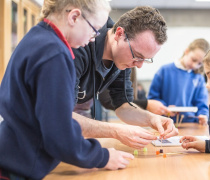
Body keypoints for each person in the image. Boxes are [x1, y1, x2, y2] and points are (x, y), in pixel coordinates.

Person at [0, 1, 134, 179]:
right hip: (19, 167)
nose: (94, 38)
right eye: (94, 30)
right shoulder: (55, 54)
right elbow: (59, 135)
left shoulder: (37, 36)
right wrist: (103, 157)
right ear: (74, 17)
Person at [72, 6, 178, 150]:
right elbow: (60, 115)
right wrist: (116, 131)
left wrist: (152, 119)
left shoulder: (122, 60)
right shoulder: (81, 45)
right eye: (137, 56)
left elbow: (123, 106)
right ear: (119, 34)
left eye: (146, 59)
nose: (139, 65)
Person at [148, 39, 210, 125]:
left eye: (199, 64)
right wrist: (164, 108)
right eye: (193, 60)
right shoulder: (164, 71)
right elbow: (152, 99)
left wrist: (203, 115)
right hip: (165, 122)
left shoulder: (199, 78)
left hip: (190, 125)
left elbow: (202, 103)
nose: (195, 65)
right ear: (187, 51)